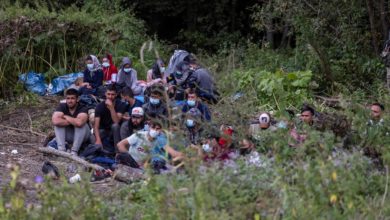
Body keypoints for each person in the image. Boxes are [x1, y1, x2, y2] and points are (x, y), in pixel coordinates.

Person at [52, 88, 91, 155]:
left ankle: (74, 151)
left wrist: (66, 117)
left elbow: (79, 123)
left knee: (81, 125)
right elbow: (55, 121)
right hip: (69, 135)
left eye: (72, 98)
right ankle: (61, 150)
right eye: (68, 98)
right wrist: (74, 121)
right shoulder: (62, 106)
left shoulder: (83, 108)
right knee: (58, 124)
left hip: (83, 136)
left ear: (77, 99)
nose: (70, 101)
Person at [94, 85, 127, 152]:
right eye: (108, 94)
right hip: (103, 130)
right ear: (105, 94)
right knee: (93, 137)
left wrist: (111, 108)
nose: (110, 97)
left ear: (116, 95)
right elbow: (96, 126)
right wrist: (98, 140)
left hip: (115, 131)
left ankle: (117, 152)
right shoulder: (99, 106)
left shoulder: (121, 104)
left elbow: (116, 121)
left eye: (112, 94)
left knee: (115, 126)